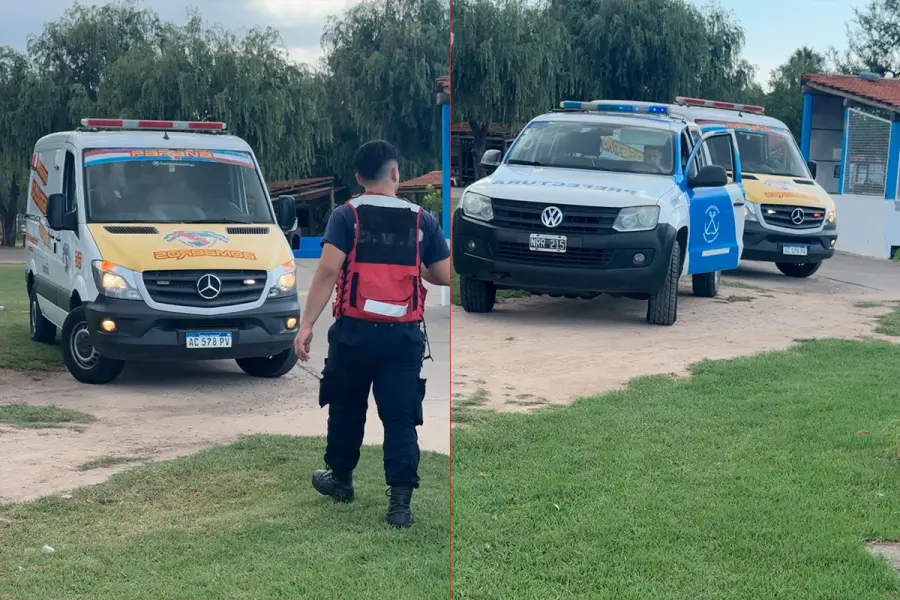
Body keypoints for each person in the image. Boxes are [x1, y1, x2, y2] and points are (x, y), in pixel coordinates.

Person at [294, 140, 451, 529]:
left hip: (354, 333)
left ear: (359, 178)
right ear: (395, 174)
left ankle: (341, 481)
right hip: (403, 337)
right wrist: (416, 265)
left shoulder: (346, 216)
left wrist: (308, 323)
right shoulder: (422, 219)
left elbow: (328, 271)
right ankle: (400, 503)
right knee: (400, 417)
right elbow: (444, 274)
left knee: (346, 407)